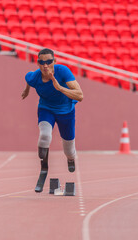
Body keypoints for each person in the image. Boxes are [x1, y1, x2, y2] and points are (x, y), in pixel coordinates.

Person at [21, 48, 83, 192]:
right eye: (42, 62)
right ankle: (44, 168)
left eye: (49, 62)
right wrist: (26, 90)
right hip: (46, 108)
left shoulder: (63, 71)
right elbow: (28, 79)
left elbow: (80, 95)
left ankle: (70, 158)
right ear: (38, 63)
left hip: (65, 111)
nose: (45, 65)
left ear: (54, 61)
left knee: (69, 149)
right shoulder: (35, 77)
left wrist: (60, 88)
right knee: (44, 136)